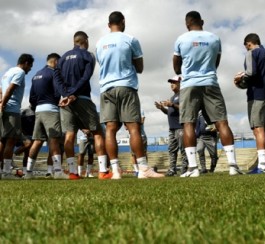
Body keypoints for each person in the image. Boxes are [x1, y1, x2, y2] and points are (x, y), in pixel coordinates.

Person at [173, 11, 243, 177]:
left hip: (189, 84)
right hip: (211, 82)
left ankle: (193, 169)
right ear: (202, 21)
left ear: (187, 23)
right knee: (222, 123)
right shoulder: (214, 38)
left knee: (188, 123)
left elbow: (176, 67)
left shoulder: (181, 39)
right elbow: (216, 62)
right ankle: (233, 166)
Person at [95, 11, 164, 179]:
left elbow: (102, 63)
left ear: (108, 24)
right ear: (123, 22)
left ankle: (116, 170)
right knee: (134, 127)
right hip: (126, 86)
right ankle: (143, 168)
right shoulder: (130, 39)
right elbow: (140, 67)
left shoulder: (99, 43)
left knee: (110, 129)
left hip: (106, 88)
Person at [55, 31, 111, 180]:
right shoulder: (88, 55)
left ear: (74, 41)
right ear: (85, 40)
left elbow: (57, 79)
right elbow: (86, 77)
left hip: (65, 100)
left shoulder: (62, 58)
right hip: (82, 97)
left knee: (69, 134)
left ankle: (73, 173)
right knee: (97, 132)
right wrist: (73, 93)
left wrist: (66, 94)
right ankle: (103, 171)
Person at [234, 33, 265, 174]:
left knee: (258, 128)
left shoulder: (252, 53)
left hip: (257, 96)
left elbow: (250, 73)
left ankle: (262, 165)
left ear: (248, 44)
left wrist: (240, 80)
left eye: (246, 47)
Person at [23, 53, 69, 179]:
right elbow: (57, 91)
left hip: (38, 110)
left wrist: (36, 105)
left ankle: (28, 172)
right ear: (55, 62)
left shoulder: (36, 74)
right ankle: (58, 171)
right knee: (53, 140)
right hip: (51, 109)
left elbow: (31, 96)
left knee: (37, 141)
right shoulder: (54, 73)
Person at [0, 53, 34, 179]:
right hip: (12, 110)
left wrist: (1, 103)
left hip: (5, 109)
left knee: (3, 140)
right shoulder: (19, 72)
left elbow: (1, 89)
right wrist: (3, 104)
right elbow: (10, 88)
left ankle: (1, 170)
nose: (30, 69)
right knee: (11, 140)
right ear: (26, 63)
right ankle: (7, 172)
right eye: (30, 66)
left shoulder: (8, 72)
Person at [154, 75, 188, 176]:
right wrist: (161, 108)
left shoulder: (183, 94)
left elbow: (184, 108)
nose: (172, 84)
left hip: (180, 127)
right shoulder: (172, 97)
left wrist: (172, 105)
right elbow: (169, 112)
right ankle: (172, 169)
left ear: (180, 83)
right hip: (172, 128)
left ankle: (185, 169)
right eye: (171, 83)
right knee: (172, 149)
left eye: (174, 82)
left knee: (183, 149)